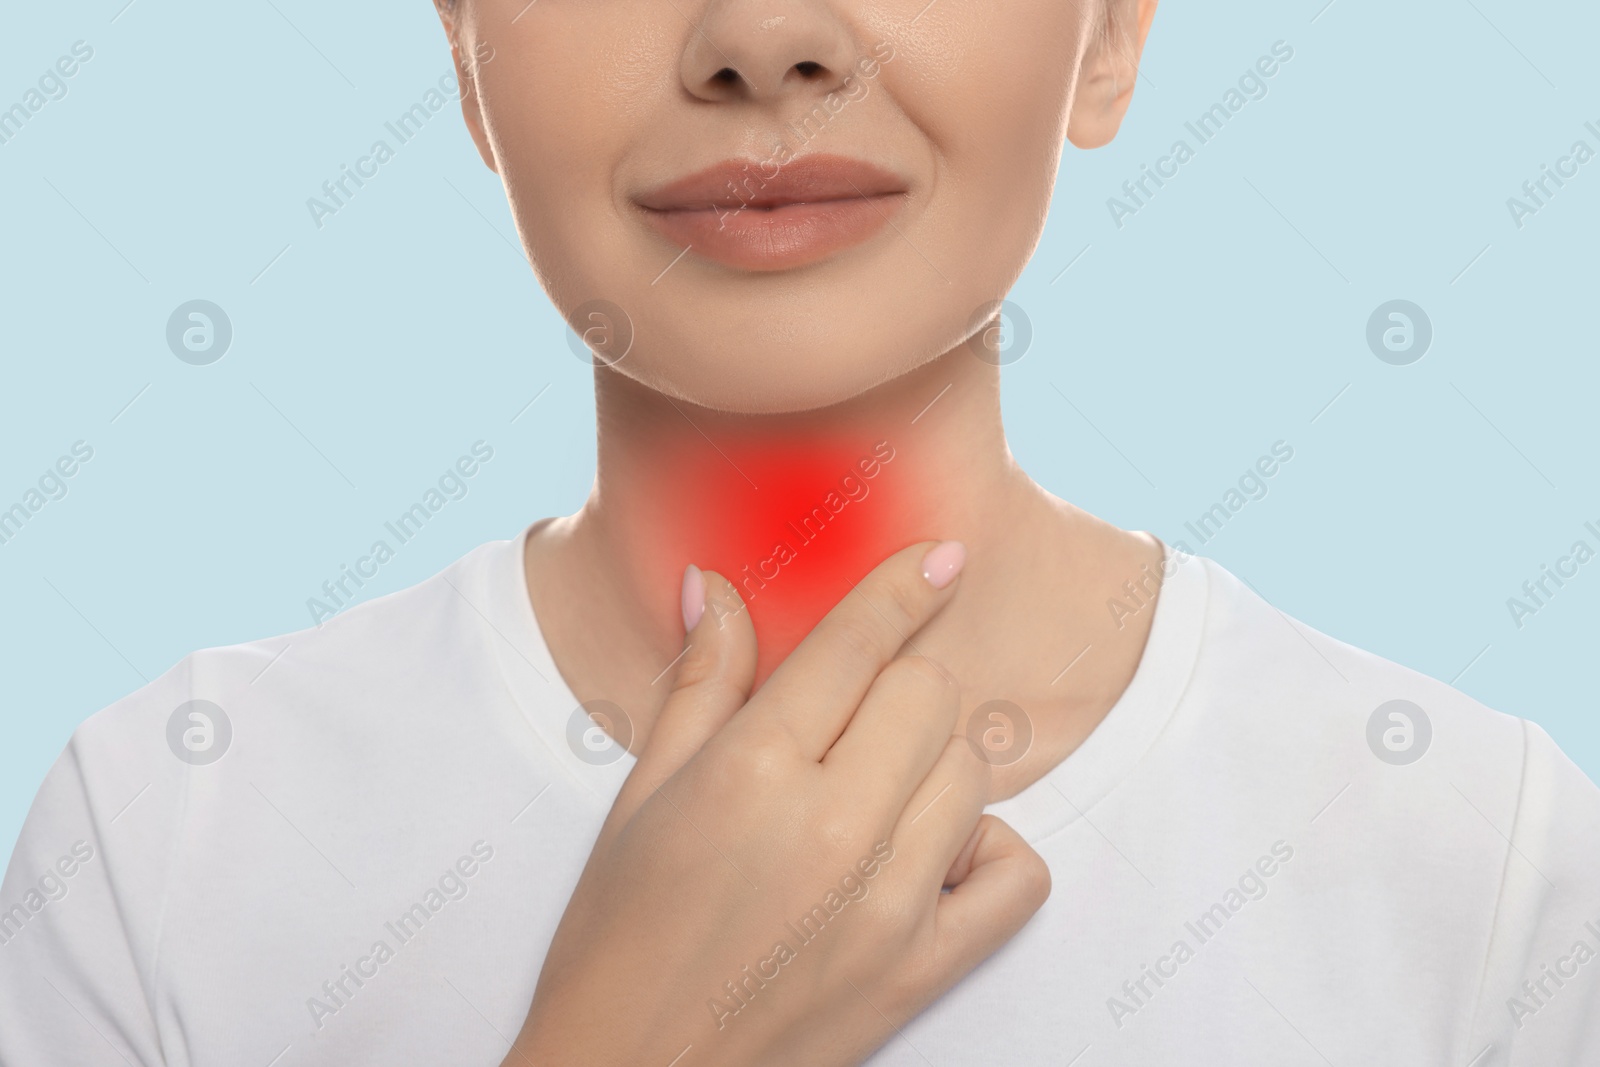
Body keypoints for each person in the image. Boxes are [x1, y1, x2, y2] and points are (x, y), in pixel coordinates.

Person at [3, 0, 1597, 1063]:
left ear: (1109, 34)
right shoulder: (165, 834)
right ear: (463, 46)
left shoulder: (1475, 855)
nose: (761, 39)